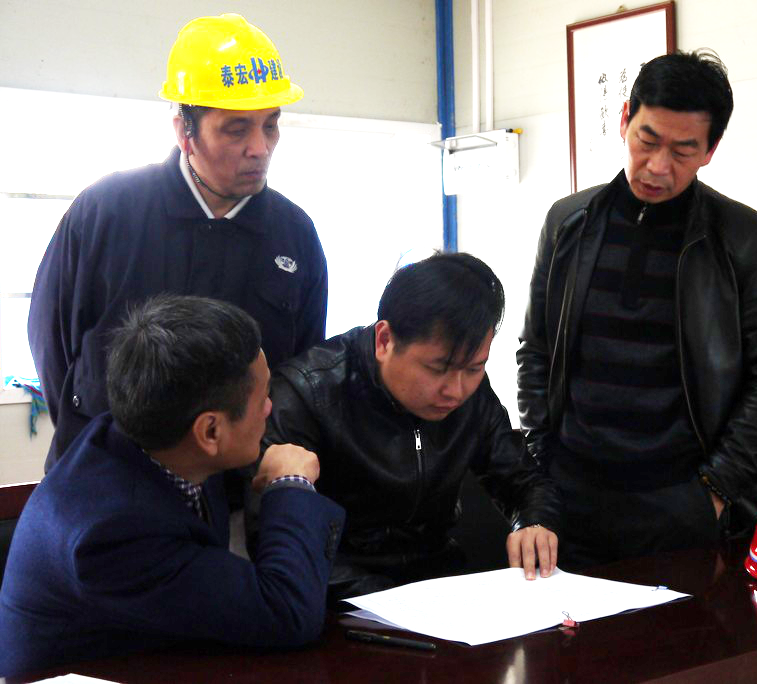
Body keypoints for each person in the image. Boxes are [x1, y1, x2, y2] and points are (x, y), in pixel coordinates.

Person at [517, 50, 757, 568]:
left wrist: (716, 489)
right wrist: (541, 464)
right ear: (625, 119)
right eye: (647, 140)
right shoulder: (568, 222)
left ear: (710, 150)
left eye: (683, 150)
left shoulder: (744, 239)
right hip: (572, 498)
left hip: (682, 505)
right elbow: (535, 349)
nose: (657, 166)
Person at [28, 14, 328, 471]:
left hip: (234, 488)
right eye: (237, 129)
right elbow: (51, 341)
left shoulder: (294, 235)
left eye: (270, 125)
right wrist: (85, 441)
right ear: (184, 130)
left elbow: (298, 373)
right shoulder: (107, 211)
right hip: (106, 474)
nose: (260, 148)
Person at [0, 296, 345, 676]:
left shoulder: (157, 437)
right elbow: (288, 613)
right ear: (210, 431)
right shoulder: (112, 533)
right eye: (263, 397)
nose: (270, 408)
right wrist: (290, 483)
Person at [261, 252, 560, 600]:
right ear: (384, 340)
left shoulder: (470, 394)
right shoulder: (308, 392)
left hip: (439, 588)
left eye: (474, 368)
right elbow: (279, 542)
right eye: (437, 369)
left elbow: (524, 481)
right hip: (340, 598)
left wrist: (534, 522)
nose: (456, 391)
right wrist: (394, 601)